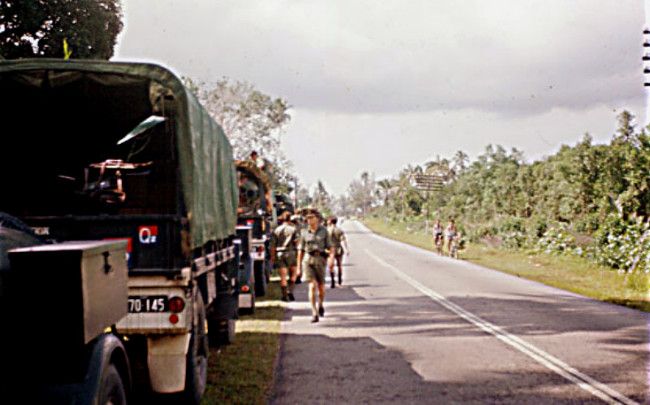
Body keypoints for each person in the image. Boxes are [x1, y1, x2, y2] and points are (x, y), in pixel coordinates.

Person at [297, 209, 334, 323]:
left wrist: (331, 259)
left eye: (311, 217)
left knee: (321, 288)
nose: (309, 220)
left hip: (321, 260)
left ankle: (321, 305)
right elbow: (300, 250)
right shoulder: (304, 232)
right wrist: (298, 267)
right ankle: (314, 312)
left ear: (317, 218)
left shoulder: (324, 231)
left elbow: (330, 247)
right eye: (307, 218)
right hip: (308, 259)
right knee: (312, 286)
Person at [270, 211, 299, 302]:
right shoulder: (293, 229)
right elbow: (297, 242)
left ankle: (284, 296)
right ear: (290, 219)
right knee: (293, 274)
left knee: (283, 276)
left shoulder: (277, 230)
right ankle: (290, 291)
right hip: (291, 253)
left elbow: (272, 246)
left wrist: (273, 257)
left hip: (280, 253)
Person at [327, 216, 349, 288]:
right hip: (338, 248)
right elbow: (343, 240)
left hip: (330, 249)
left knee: (331, 265)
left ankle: (333, 281)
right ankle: (339, 280)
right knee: (339, 265)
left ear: (330, 221)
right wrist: (347, 249)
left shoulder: (327, 230)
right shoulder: (339, 230)